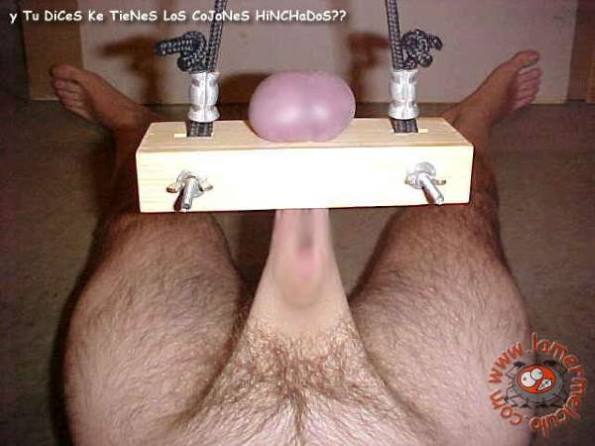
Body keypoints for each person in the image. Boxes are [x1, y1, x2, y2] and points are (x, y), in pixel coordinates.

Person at [51, 51, 542, 445]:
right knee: (461, 210)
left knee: (145, 214)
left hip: (153, 429)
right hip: (449, 430)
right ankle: (470, 126)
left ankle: (133, 127)